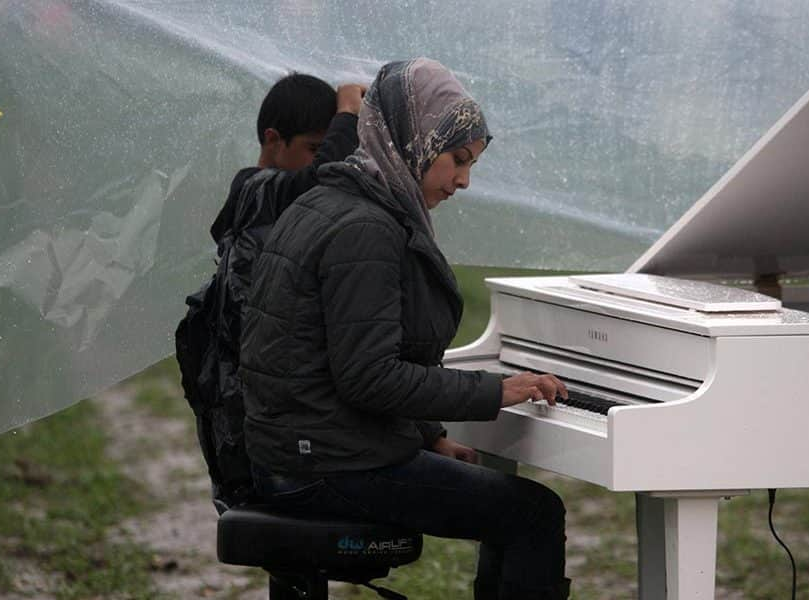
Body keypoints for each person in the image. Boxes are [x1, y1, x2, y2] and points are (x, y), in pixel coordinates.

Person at [239, 58, 572, 600]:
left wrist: (428, 436)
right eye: (457, 160)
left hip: (297, 447)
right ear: (411, 141)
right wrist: (498, 391)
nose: (464, 180)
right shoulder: (365, 228)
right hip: (325, 465)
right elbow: (368, 377)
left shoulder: (330, 199)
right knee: (533, 513)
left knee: (513, 507)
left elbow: (334, 356)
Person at [175, 73, 366, 510]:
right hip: (249, 419)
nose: (322, 157)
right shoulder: (256, 191)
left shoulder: (270, 200)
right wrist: (348, 114)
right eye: (314, 147)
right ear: (273, 140)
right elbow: (324, 179)